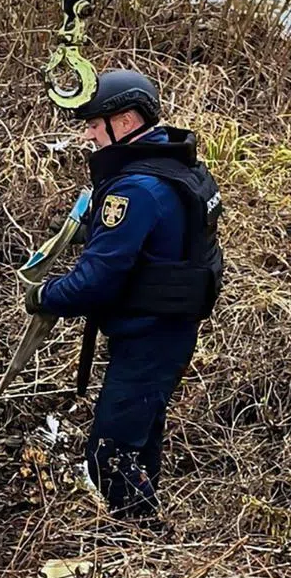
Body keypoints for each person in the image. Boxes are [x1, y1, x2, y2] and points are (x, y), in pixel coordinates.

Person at [25, 69, 224, 522]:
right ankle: (140, 520)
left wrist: (44, 295)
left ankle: (139, 538)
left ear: (128, 121)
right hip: (167, 328)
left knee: (108, 454)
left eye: (96, 122)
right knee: (141, 432)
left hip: (150, 335)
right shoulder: (177, 163)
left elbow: (97, 279)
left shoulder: (136, 189)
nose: (90, 133)